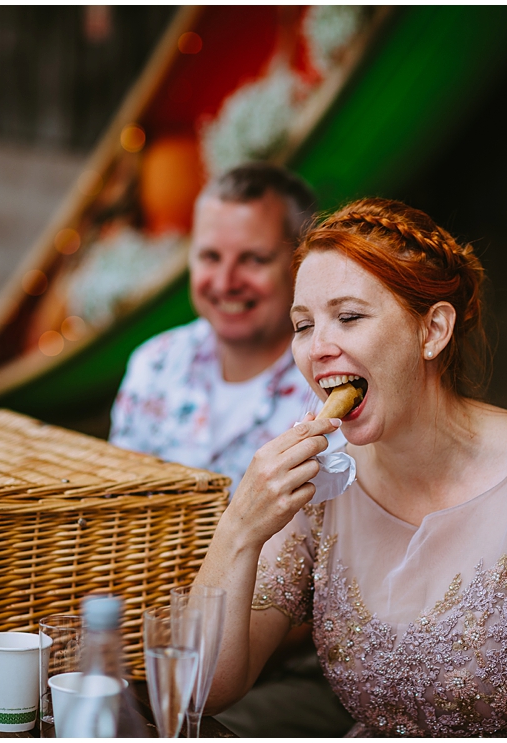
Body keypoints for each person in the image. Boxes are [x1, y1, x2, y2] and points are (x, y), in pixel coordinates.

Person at [193, 197, 507, 736]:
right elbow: (204, 690)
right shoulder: (323, 479)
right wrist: (239, 530)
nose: (317, 348)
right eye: (303, 325)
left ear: (433, 331)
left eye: (348, 317)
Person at [108, 162, 353, 736]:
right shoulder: (153, 363)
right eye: (210, 257)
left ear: (299, 269)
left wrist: (221, 634)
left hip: (281, 662)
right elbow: (113, 517)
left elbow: (329, 583)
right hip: (139, 636)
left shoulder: (332, 389)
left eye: (253, 259)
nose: (226, 280)